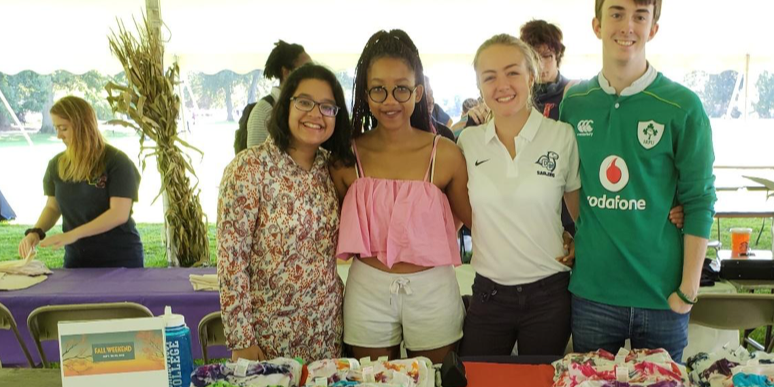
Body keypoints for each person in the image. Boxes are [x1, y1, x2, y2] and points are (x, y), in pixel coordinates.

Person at [559, 0, 716, 362]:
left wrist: (688, 290)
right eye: (616, 13)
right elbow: (569, 183)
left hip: (662, 296)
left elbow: (699, 199)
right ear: (596, 25)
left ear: (653, 28)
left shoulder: (682, 106)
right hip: (594, 293)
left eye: (640, 16)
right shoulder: (574, 103)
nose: (627, 26)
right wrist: (584, 235)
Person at [331, 29, 471, 364]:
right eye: (378, 89)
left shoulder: (447, 154)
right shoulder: (345, 158)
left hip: (433, 288)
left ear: (418, 91)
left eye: (402, 89)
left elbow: (472, 220)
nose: (390, 100)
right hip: (367, 290)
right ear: (366, 93)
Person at [217, 63, 352, 363]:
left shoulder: (332, 169)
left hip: (326, 333)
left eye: (328, 107)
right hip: (266, 339)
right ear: (284, 105)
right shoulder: (249, 168)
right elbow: (231, 261)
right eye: (305, 102)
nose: (316, 114)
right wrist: (242, 340)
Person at [457, 34, 579, 357]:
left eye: (512, 72)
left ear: (531, 75)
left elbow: (582, 213)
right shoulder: (467, 143)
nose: (502, 85)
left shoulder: (562, 135)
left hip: (549, 295)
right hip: (488, 295)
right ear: (479, 86)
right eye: (489, 77)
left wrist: (580, 239)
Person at [18, 96, 143, 267]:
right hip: (77, 259)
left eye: (63, 128)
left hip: (120, 258)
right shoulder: (57, 165)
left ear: (83, 126)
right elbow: (53, 207)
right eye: (56, 128)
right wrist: (36, 232)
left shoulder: (116, 161)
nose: (58, 135)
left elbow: (119, 214)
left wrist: (72, 234)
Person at [246, 40, 312, 148]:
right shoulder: (264, 110)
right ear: (286, 72)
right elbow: (254, 160)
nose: (312, 75)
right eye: (306, 69)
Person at [519, 19, 575, 119]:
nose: (540, 65)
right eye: (534, 58)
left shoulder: (573, 90)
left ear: (557, 56)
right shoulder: (519, 94)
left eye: (547, 56)